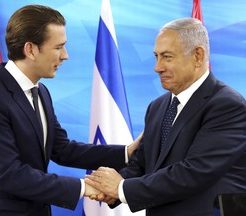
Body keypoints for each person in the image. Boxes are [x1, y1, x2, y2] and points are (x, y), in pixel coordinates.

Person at [0, 5, 141, 216]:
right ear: (31, 50)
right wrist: (84, 187)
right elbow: (9, 175)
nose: (65, 56)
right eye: (58, 47)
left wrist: (127, 152)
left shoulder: (41, 91)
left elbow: (63, 150)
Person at [85, 17, 246, 216]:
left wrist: (120, 188)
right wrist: (107, 188)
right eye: (156, 56)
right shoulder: (158, 106)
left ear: (197, 55)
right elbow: (142, 165)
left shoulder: (227, 105)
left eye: (167, 57)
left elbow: (194, 172)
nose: (157, 67)